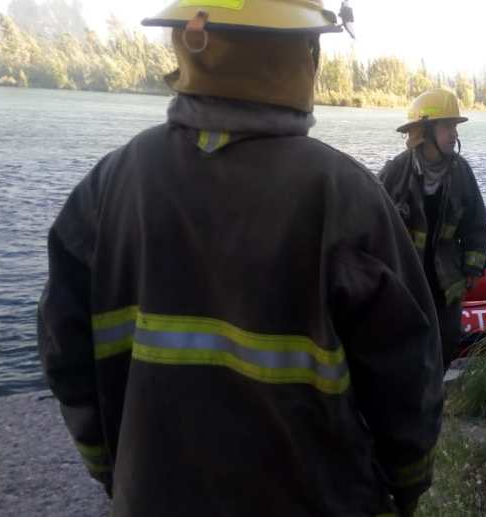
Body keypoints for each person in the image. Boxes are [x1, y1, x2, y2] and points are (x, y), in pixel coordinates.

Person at [36, 2, 443, 515]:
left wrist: (113, 469)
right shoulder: (343, 194)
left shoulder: (111, 183)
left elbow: (64, 349)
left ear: (188, 43)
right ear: (301, 54)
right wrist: (407, 484)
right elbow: (407, 371)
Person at [379, 88, 486, 370]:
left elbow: (477, 226)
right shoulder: (396, 172)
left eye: (455, 127)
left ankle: (435, 392)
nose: (454, 134)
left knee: (444, 344)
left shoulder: (461, 173)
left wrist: (472, 269)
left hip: (446, 282)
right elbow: (372, 224)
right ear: (425, 132)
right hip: (406, 279)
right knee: (403, 347)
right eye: (447, 126)